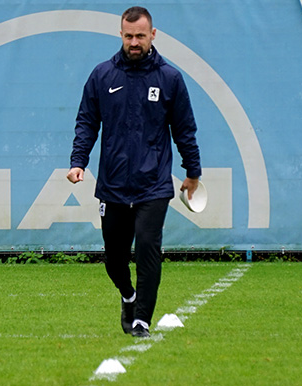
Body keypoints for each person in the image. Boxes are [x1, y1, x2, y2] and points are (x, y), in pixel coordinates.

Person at [67, 6, 201, 338]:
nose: (134, 42)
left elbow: (185, 130)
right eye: (128, 36)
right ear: (121, 35)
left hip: (153, 185)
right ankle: (128, 297)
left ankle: (141, 320)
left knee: (146, 247)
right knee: (114, 259)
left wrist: (193, 172)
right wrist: (77, 161)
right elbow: (87, 122)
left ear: (153, 35)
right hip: (112, 184)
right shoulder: (102, 75)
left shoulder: (170, 78)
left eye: (140, 35)